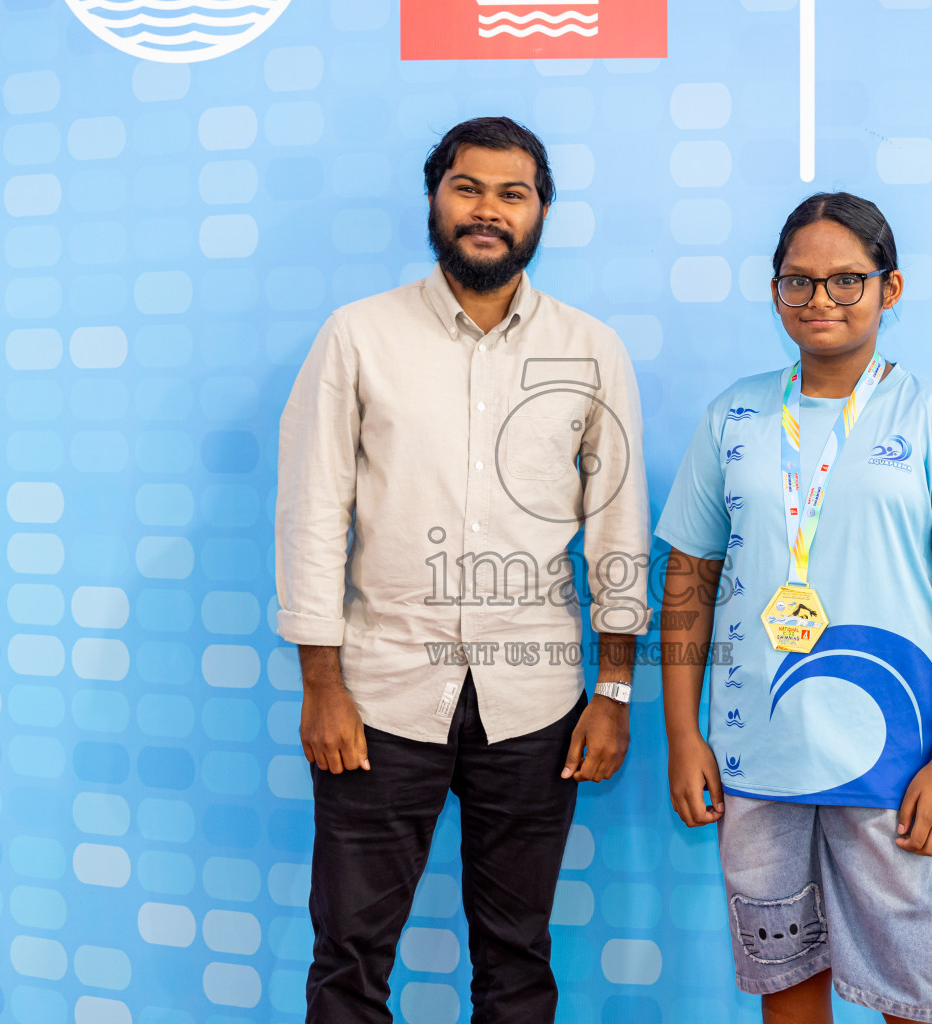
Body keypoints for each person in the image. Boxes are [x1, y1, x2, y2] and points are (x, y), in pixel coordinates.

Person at [275, 117, 652, 1023]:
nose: (488, 210)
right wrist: (321, 687)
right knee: (349, 956)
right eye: (468, 188)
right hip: (378, 697)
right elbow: (313, 515)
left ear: (542, 212)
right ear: (436, 199)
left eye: (511, 193)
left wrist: (616, 693)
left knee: (518, 956)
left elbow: (617, 531)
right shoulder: (357, 336)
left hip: (538, 700)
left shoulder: (592, 349)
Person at [656, 192, 932, 1024]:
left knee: (914, 999)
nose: (821, 300)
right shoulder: (734, 416)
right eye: (799, 282)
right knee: (786, 991)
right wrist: (683, 736)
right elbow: (687, 582)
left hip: (893, 764)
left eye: (847, 281)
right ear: (775, 290)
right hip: (757, 769)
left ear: (890, 289)